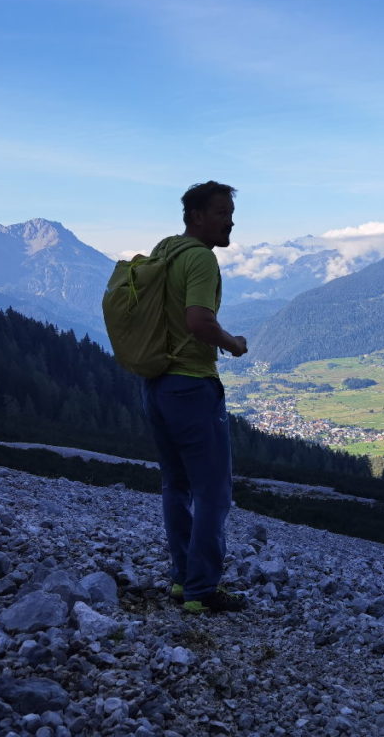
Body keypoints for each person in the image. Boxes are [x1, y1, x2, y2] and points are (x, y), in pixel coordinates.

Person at [142, 180, 249, 614]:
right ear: (198, 216)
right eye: (223, 212)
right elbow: (199, 321)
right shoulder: (201, 259)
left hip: (156, 383)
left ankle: (182, 579)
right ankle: (202, 591)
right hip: (191, 384)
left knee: (176, 483)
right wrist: (232, 343)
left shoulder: (165, 251)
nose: (231, 220)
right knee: (213, 492)